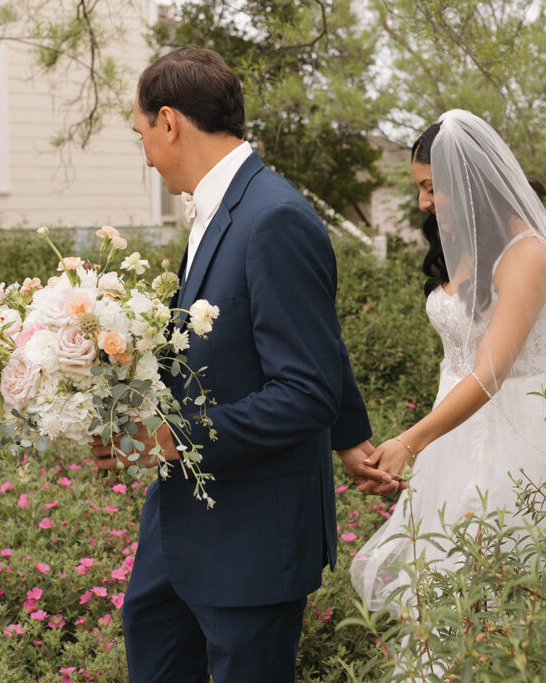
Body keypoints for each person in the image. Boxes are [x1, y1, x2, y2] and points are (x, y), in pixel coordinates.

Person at [90, 47, 396, 682]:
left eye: (142, 132)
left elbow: (306, 388)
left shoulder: (275, 216)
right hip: (178, 526)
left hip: (253, 536)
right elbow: (314, 341)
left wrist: (173, 440)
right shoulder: (218, 209)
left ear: (168, 122)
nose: (144, 150)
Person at [350, 109, 546, 614]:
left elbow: (492, 370)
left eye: (434, 188)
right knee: (439, 582)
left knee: (496, 583)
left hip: (514, 431)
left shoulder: (528, 256)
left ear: (471, 183)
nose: (423, 203)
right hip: (451, 427)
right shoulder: (463, 246)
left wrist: (409, 441)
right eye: (420, 188)